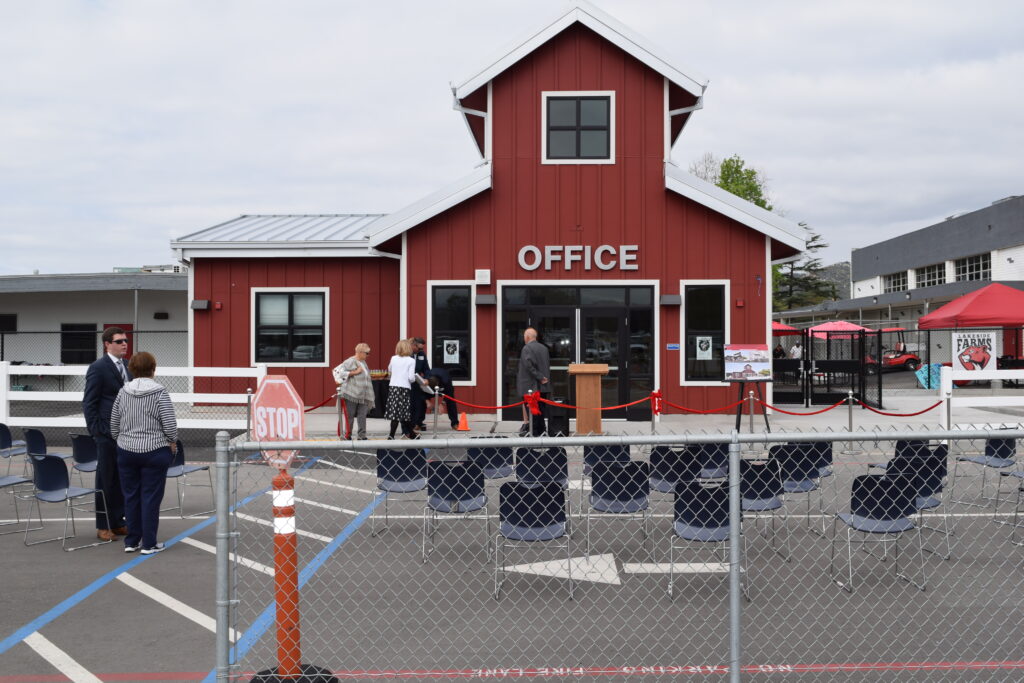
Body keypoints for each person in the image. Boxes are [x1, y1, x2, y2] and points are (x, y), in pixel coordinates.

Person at [109, 351, 177, 554]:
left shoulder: (123, 391)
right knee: (150, 497)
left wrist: (121, 440)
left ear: (132, 369)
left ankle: (132, 541)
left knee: (131, 496)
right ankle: (149, 543)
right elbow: (170, 425)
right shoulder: (160, 392)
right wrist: (172, 442)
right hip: (154, 450)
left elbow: (114, 423)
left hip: (127, 450)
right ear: (153, 369)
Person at [82, 326, 131, 541]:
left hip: (126, 433)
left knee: (122, 478)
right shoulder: (98, 367)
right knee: (105, 479)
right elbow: (89, 402)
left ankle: (118, 521)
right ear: (107, 344)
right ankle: (103, 525)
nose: (124, 344)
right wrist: (96, 431)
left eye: (125, 341)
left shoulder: (128, 367)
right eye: (119, 341)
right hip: (105, 433)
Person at [332, 343, 376, 439]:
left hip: (363, 395)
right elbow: (337, 372)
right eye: (367, 353)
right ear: (360, 352)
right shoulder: (350, 361)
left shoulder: (363, 362)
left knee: (362, 416)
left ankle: (362, 435)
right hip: (351, 394)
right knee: (350, 416)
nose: (368, 355)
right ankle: (348, 434)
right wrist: (355, 372)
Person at [517, 327, 551, 436]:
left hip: (531, 387)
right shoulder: (544, 348)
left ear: (527, 337)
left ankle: (534, 435)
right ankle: (542, 433)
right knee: (541, 412)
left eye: (524, 337)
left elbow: (529, 366)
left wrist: (540, 377)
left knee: (533, 414)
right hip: (543, 387)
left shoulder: (526, 348)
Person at [385, 339, 418, 439]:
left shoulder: (393, 358)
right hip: (404, 388)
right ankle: (411, 434)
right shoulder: (411, 361)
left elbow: (390, 369)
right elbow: (411, 378)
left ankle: (392, 435)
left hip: (393, 387)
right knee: (404, 412)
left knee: (395, 413)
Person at [410, 336, 431, 431]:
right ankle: (410, 423)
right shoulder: (407, 353)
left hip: (418, 381)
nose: (420, 350)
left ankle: (418, 422)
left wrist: (426, 378)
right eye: (419, 348)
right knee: (411, 404)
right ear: (413, 345)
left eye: (422, 348)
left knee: (420, 403)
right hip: (408, 382)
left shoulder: (422, 354)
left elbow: (426, 368)